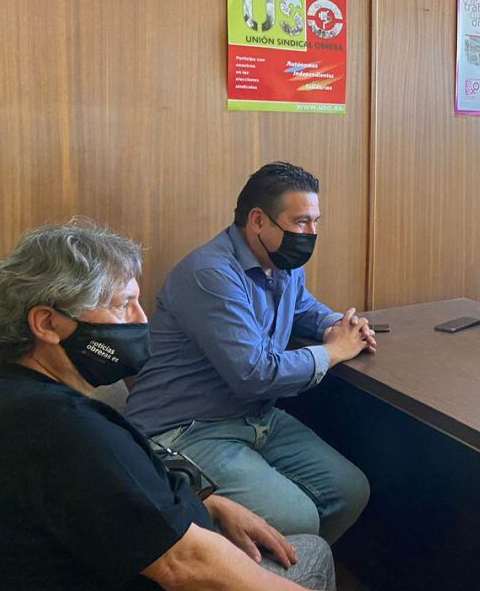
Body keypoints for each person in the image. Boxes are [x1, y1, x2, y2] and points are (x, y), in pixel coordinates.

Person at [0, 220, 335, 591]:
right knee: (312, 557)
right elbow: (186, 564)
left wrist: (212, 504)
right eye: (124, 306)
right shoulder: (64, 429)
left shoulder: (1, 391)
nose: (142, 320)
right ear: (47, 324)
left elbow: (113, 492)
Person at [126, 162, 373, 541]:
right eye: (302, 222)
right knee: (297, 519)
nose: (311, 233)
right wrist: (335, 351)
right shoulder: (210, 273)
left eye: (316, 222)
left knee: (350, 489)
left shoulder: (281, 265)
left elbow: (305, 309)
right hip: (186, 430)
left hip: (255, 419)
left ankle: (291, 569)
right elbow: (254, 374)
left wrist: (340, 325)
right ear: (258, 221)